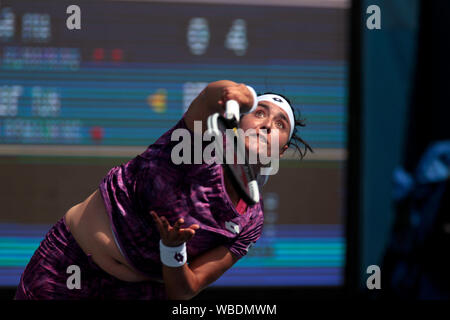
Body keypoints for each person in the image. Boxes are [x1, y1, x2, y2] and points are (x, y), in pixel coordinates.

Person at [15, 80, 312, 300]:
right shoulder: (197, 145)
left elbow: (185, 289)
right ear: (240, 118)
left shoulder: (251, 221)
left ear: (281, 150)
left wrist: (172, 250)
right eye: (259, 113)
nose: (267, 125)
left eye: (280, 124)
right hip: (65, 267)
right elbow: (209, 98)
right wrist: (239, 92)